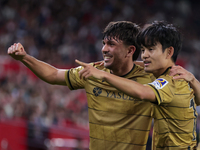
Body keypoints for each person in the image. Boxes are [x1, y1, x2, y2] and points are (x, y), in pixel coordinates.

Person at [8, 21, 155, 150]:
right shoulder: (92, 71)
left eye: (111, 44)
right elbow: (53, 75)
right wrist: (25, 58)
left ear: (130, 50)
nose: (104, 49)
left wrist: (175, 69)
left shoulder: (151, 76)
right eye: (104, 43)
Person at [76, 21, 198, 149]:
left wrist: (104, 75)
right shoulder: (182, 77)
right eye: (143, 49)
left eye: (150, 49)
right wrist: (194, 80)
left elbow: (143, 92)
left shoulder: (169, 81)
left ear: (169, 52)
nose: (144, 55)